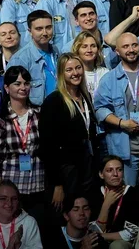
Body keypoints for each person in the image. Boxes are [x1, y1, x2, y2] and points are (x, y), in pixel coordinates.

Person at [0, 66, 50, 218]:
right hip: (12, 190)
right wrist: (0, 196)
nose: (23, 87)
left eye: (26, 83)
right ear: (7, 88)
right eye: (17, 84)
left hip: (39, 185)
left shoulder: (40, 114)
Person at [38, 54, 97, 208]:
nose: (75, 73)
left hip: (87, 165)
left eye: (78, 68)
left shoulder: (85, 97)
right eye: (69, 70)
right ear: (61, 74)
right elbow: (47, 147)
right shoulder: (53, 101)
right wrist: (57, 184)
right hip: (66, 170)